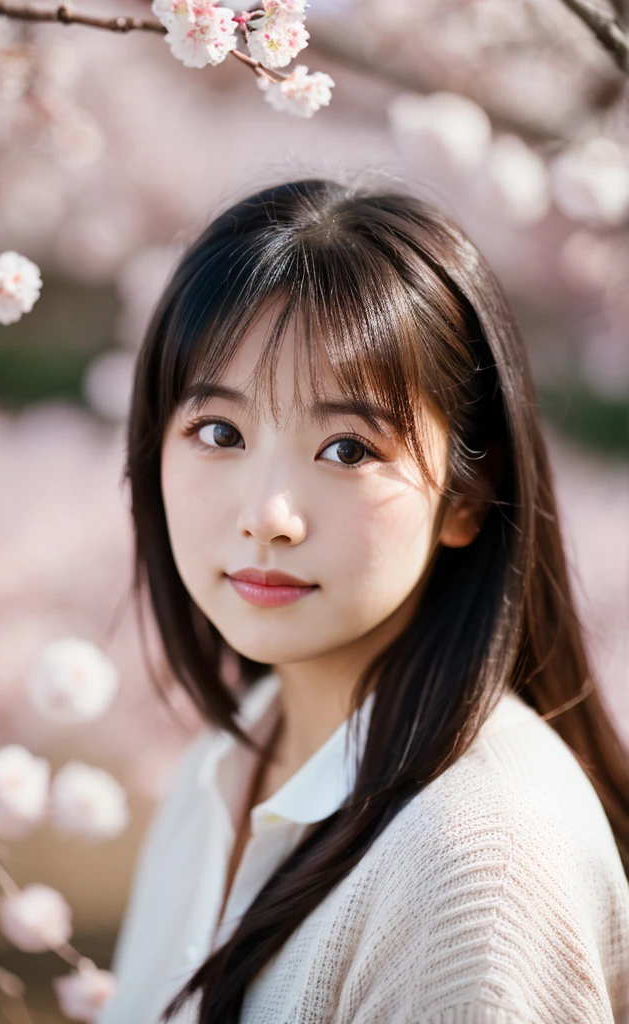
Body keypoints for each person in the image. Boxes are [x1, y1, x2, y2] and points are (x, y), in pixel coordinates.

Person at [98, 179, 629, 1024]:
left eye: (347, 448)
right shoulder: (222, 765)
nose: (268, 516)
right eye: (220, 433)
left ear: (466, 494)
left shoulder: (473, 869)